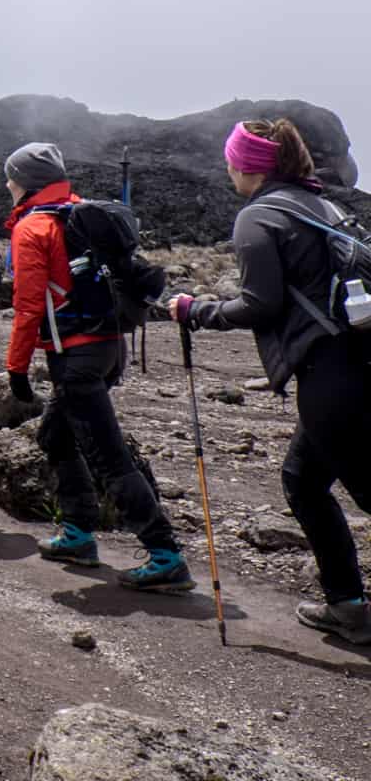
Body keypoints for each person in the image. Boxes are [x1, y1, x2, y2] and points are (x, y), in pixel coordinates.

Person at [168, 119, 371, 644]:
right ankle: (347, 607)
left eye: (231, 159)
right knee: (303, 481)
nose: (228, 168)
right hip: (357, 361)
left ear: (248, 165)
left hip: (332, 374)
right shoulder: (323, 206)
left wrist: (197, 310)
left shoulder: (259, 217)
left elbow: (261, 304)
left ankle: (350, 607)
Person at [3, 142, 192, 591]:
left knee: (109, 457)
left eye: (10, 177)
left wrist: (16, 368)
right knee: (55, 436)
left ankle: (165, 554)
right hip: (107, 346)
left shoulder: (34, 228)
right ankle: (78, 532)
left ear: (24, 181)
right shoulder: (79, 215)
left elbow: (29, 306)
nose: (7, 185)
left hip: (77, 355)